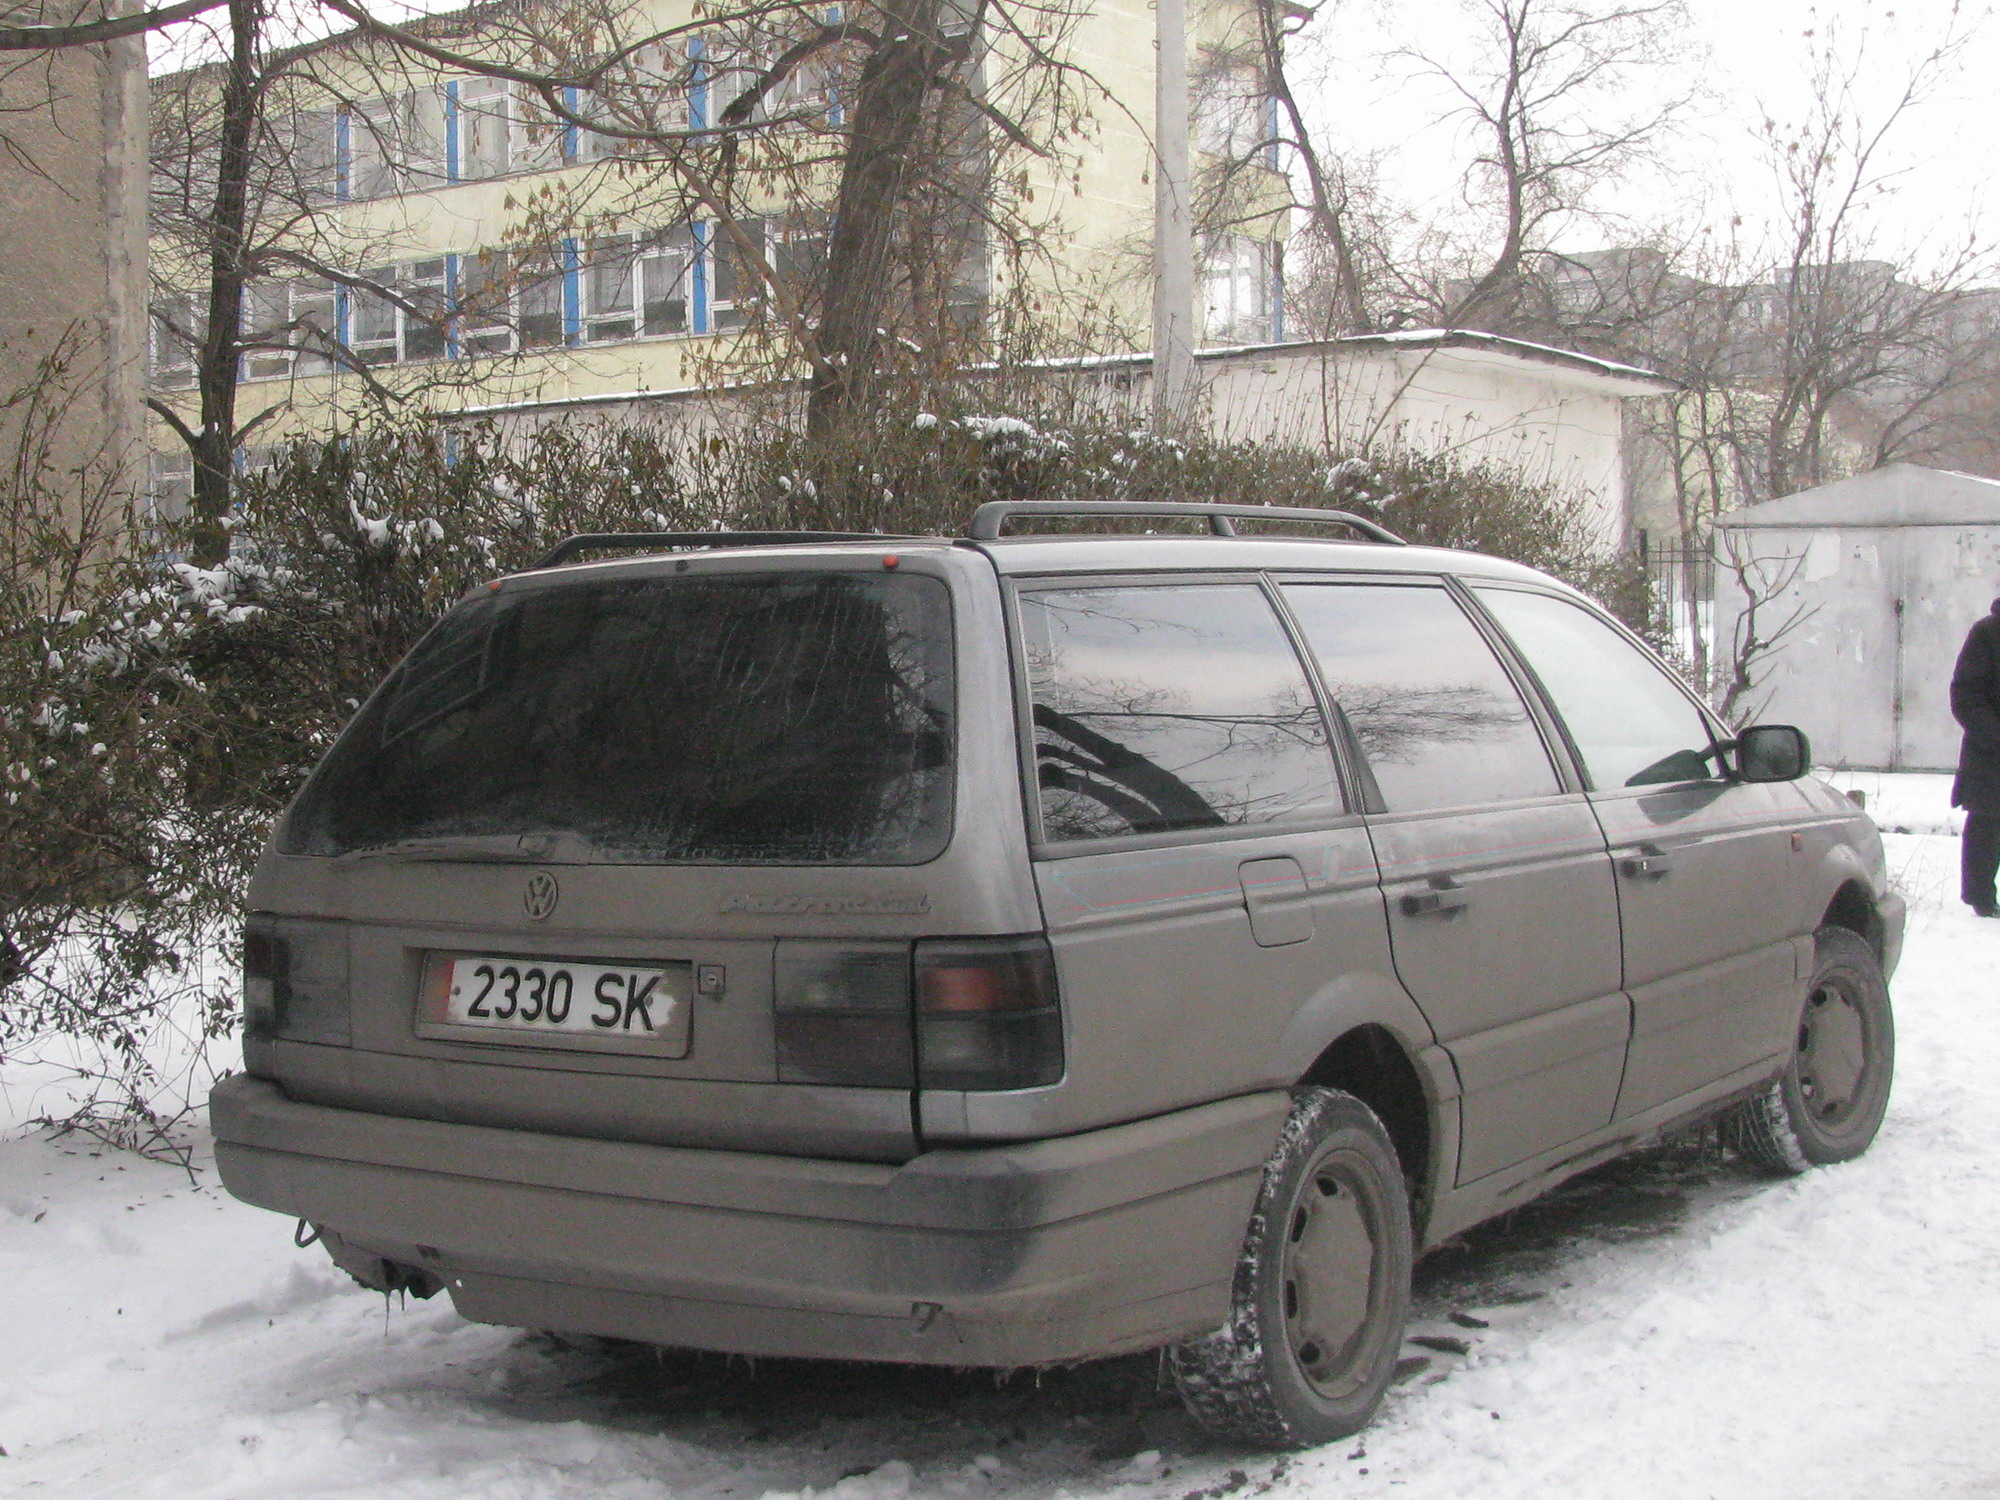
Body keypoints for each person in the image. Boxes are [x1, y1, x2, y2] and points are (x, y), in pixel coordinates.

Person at [1950, 596, 2000, 916]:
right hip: (1992, 755)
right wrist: (1994, 735)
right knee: (1988, 824)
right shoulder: (1987, 634)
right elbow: (1965, 695)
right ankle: (1981, 899)